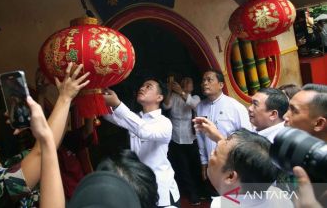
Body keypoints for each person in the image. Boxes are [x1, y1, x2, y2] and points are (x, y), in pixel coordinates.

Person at [0, 63, 90, 207]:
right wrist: (64, 97)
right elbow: (42, 151)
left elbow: (50, 145)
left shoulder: (9, 165)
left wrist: (42, 95)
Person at [103, 79, 180, 207]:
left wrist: (117, 104)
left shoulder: (164, 122)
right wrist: (97, 95)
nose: (142, 88)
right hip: (140, 187)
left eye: (148, 86)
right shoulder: (136, 118)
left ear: (159, 97)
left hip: (162, 191)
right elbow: (109, 116)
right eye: (142, 85)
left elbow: (144, 131)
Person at [207, 129, 293, 208]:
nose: (211, 154)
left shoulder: (221, 205)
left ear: (230, 176)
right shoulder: (279, 196)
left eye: (215, 152)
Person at [196, 70, 251, 185]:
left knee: (234, 198)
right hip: (212, 163)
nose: (205, 83)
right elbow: (200, 136)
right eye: (203, 80)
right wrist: (204, 161)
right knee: (216, 197)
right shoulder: (200, 107)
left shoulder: (235, 107)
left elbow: (247, 138)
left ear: (221, 85)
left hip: (232, 163)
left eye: (209, 80)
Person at [163, 77, 201, 205]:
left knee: (195, 166)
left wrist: (181, 92)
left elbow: (193, 105)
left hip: (191, 138)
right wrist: (169, 91)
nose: (185, 85)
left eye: (188, 83)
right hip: (175, 138)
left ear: (192, 87)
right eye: (183, 83)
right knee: (182, 167)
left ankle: (200, 191)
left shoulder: (195, 97)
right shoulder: (174, 96)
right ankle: (191, 194)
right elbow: (166, 105)